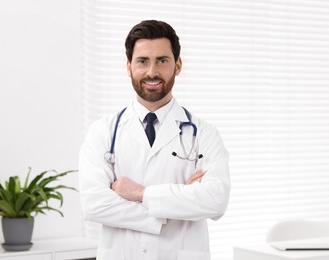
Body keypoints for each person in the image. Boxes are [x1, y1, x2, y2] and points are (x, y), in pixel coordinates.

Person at [79, 20, 231, 260]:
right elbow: (94, 205)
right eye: (142, 61)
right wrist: (175, 206)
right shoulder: (102, 132)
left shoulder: (204, 133)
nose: (152, 72)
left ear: (178, 65)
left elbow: (215, 200)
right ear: (128, 66)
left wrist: (141, 193)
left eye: (162, 60)